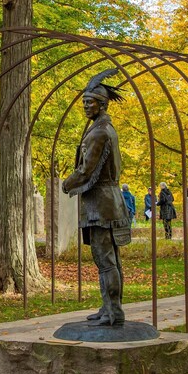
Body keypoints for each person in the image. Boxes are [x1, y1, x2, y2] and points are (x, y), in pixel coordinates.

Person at [62, 69, 130, 326]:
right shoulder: (103, 128)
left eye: (89, 102)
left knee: (105, 261)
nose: (85, 106)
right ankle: (109, 308)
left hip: (101, 206)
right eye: (83, 102)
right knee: (108, 260)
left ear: (102, 104)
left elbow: (86, 169)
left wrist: (67, 184)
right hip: (106, 202)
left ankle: (113, 311)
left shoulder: (100, 132)